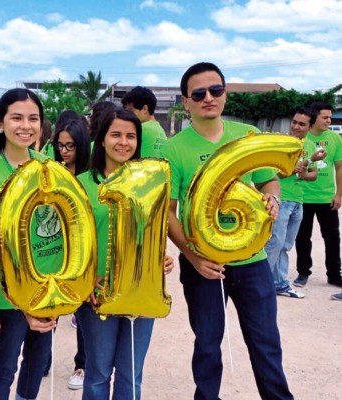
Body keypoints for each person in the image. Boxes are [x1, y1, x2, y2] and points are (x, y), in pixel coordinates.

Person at [162, 62, 293, 400]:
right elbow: (169, 213)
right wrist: (192, 259)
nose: (209, 98)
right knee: (207, 346)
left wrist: (272, 198)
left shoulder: (247, 136)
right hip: (204, 266)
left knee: (266, 343)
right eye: (199, 93)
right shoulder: (173, 149)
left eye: (216, 90)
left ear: (225, 94)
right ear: (186, 101)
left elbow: (269, 180)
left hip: (253, 261)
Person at [76, 107, 174, 400]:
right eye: (115, 134)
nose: (123, 142)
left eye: (131, 136)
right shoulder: (81, 184)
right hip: (97, 292)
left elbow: (152, 233)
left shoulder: (151, 184)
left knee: (131, 374)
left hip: (140, 292)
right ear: (101, 139)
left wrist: (160, 259)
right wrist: (84, 280)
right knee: (98, 372)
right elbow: (73, 242)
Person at [0, 88, 59, 400]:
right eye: (17, 118)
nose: (26, 125)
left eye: (33, 118)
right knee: (4, 366)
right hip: (10, 291)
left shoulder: (46, 164)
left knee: (37, 360)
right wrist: (24, 305)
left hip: (48, 284)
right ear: (0, 124)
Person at [265, 108, 323, 299]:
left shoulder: (311, 146)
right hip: (281, 199)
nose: (295, 126)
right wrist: (304, 164)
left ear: (310, 126)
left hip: (298, 201)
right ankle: (261, 283)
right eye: (294, 122)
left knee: (286, 245)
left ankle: (279, 284)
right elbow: (280, 173)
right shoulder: (283, 144)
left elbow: (313, 176)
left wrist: (301, 169)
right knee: (274, 243)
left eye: (301, 124)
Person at [51, 117, 91, 390]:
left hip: (84, 256)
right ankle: (42, 360)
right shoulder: (53, 172)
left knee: (84, 315)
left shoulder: (91, 176)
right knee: (49, 308)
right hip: (54, 253)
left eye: (71, 146)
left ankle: (82, 365)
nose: (65, 151)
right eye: (60, 145)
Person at [294, 101, 342, 288]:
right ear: (313, 119)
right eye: (325, 117)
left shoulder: (335, 138)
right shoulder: (300, 138)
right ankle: (303, 272)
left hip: (326, 197)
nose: (329, 120)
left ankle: (334, 274)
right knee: (302, 237)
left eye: (330, 117)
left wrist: (339, 194)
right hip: (302, 197)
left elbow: (339, 168)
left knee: (332, 237)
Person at [121, 86, 167, 157]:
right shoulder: (161, 130)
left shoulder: (140, 128)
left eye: (131, 110)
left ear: (145, 109)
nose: (128, 115)